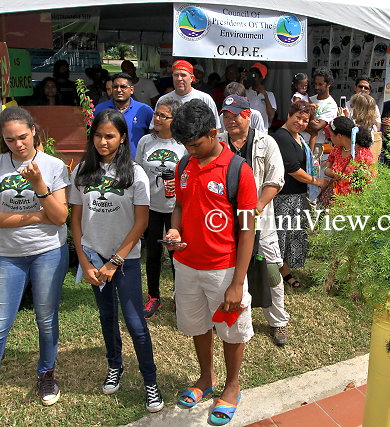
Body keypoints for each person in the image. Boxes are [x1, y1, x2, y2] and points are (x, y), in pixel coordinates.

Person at [165, 99, 257, 425]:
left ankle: (232, 386)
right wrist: (175, 229)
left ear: (213, 133)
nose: (189, 151)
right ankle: (206, 378)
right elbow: (179, 205)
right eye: (185, 146)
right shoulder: (184, 165)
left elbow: (247, 230)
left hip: (224, 269)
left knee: (231, 330)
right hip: (187, 265)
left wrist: (237, 282)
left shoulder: (238, 170)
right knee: (198, 325)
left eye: (194, 144)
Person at [70, 109, 164, 413]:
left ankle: (150, 381)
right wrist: (85, 261)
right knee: (107, 316)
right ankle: (115, 365)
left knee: (135, 323)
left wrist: (115, 261)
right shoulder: (82, 171)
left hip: (125, 260)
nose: (103, 142)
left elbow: (141, 222)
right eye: (98, 135)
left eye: (109, 136)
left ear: (123, 137)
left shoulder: (135, 173)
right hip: (94, 258)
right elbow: (76, 220)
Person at [0, 107, 70, 414]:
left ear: (33, 131)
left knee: (46, 318)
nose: (17, 144)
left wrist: (40, 185)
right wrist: (35, 216)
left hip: (48, 251)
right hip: (9, 255)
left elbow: (60, 217)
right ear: (2, 140)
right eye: (9, 140)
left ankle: (47, 374)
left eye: (22, 137)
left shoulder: (53, 165)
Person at [219, 94, 291, 346]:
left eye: (236, 115)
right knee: (227, 269)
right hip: (224, 221)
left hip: (261, 219)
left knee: (271, 271)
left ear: (248, 115)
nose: (230, 120)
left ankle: (278, 321)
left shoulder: (266, 142)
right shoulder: (218, 143)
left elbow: (276, 180)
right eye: (226, 116)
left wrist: (256, 207)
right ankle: (230, 315)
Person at [135, 97, 187, 319]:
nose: (157, 118)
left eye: (163, 116)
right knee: (153, 254)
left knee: (177, 254)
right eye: (156, 114)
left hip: (177, 207)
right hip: (151, 206)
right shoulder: (145, 141)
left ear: (174, 119)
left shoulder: (183, 144)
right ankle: (154, 296)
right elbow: (138, 171)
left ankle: (180, 295)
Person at [274, 101, 327, 288]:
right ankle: (277, 274)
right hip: (284, 197)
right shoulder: (282, 137)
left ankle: (285, 271)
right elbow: (293, 169)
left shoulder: (298, 137)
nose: (301, 123)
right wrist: (316, 181)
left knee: (292, 236)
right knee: (282, 237)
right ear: (289, 115)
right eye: (298, 118)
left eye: (305, 120)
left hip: (297, 196)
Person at [94, 73, 154, 158]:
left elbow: (154, 136)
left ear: (132, 90)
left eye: (123, 87)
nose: (119, 90)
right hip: (107, 161)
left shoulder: (144, 110)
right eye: (115, 87)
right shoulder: (100, 109)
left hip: (136, 162)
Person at [154, 60, 220, 128]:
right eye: (176, 75)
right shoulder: (163, 100)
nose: (179, 79)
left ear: (191, 78)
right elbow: (154, 127)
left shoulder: (205, 99)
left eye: (183, 75)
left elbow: (216, 128)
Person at [323, 116, 375, 197]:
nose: (330, 139)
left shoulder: (363, 155)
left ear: (339, 136)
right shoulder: (337, 149)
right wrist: (333, 173)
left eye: (331, 135)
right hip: (335, 199)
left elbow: (370, 183)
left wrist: (335, 173)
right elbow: (327, 166)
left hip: (353, 201)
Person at [306, 67, 338, 150]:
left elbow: (317, 127)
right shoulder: (309, 99)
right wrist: (312, 120)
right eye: (315, 84)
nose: (316, 87)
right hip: (302, 142)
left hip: (317, 147)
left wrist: (305, 118)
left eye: (320, 84)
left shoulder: (331, 105)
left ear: (329, 84)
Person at [245, 62, 277, 130]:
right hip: (247, 131)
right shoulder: (245, 92)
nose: (252, 78)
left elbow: (271, 115)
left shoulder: (269, 95)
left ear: (261, 78)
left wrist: (265, 95)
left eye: (254, 76)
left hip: (262, 131)